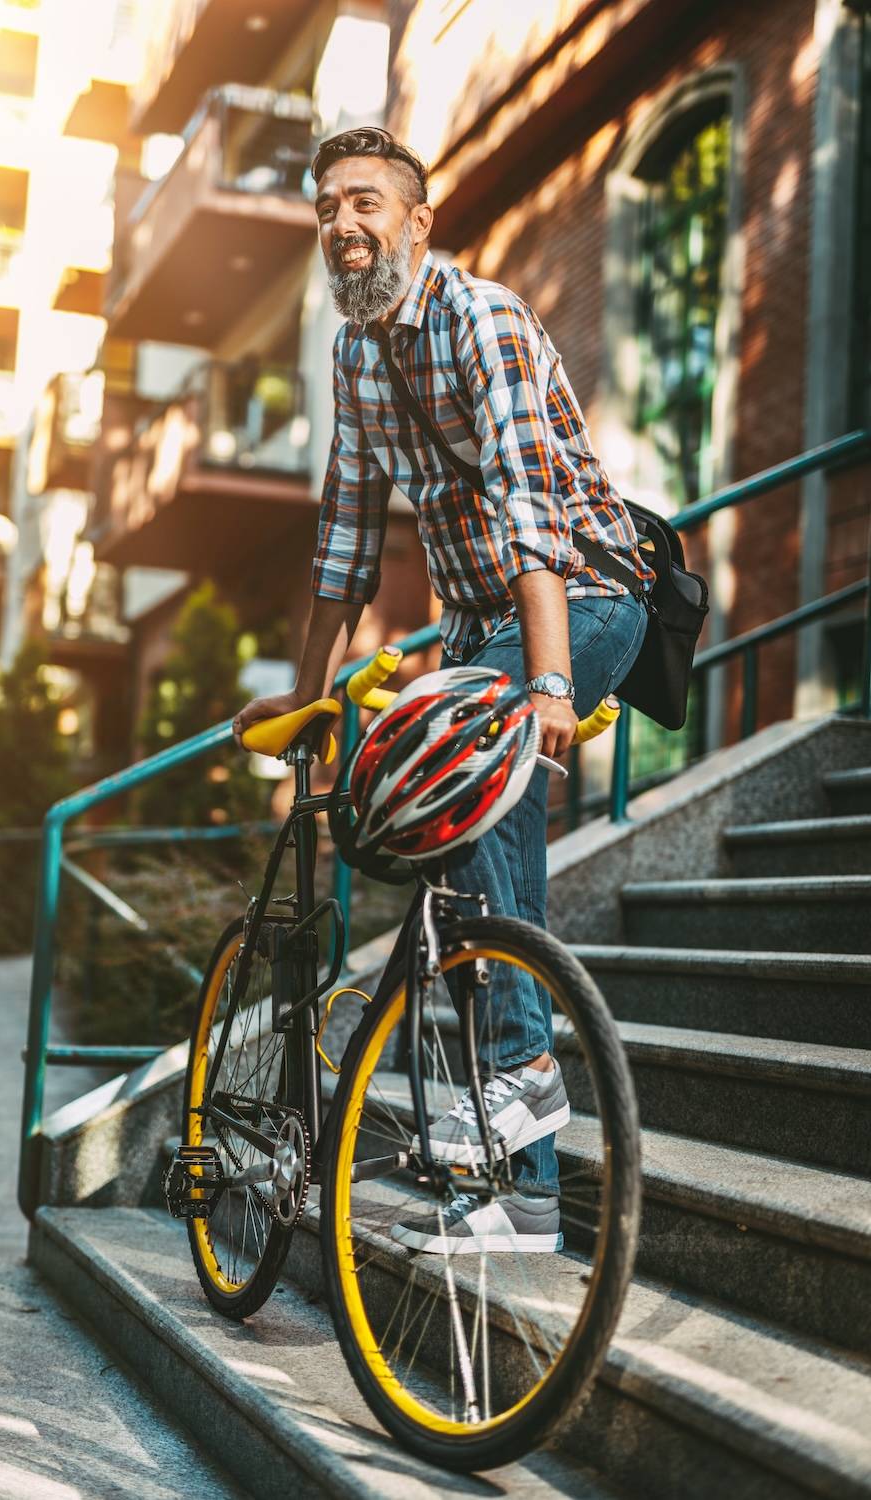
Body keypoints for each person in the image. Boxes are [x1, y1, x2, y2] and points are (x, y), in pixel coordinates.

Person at [234, 126, 654, 1252]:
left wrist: (551, 678)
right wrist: (304, 702)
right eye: (327, 207)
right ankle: (517, 1198)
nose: (342, 225)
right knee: (448, 843)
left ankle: (518, 1068)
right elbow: (343, 544)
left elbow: (528, 511)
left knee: (466, 764)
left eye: (365, 203)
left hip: (590, 594)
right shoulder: (354, 354)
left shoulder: (485, 320)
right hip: (478, 629)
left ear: (419, 222)